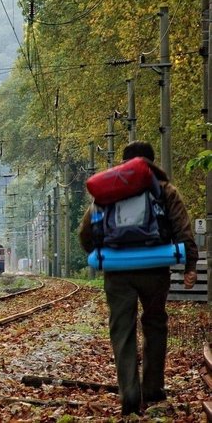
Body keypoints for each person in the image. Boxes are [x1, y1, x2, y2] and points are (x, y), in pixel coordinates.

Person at [78, 140, 198, 416]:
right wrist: (189, 266)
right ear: (152, 162)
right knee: (155, 323)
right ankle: (153, 389)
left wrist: (104, 256)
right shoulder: (164, 189)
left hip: (117, 272)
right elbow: (183, 229)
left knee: (122, 329)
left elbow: (86, 232)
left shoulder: (109, 191)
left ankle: (130, 393)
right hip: (155, 269)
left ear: (124, 163)